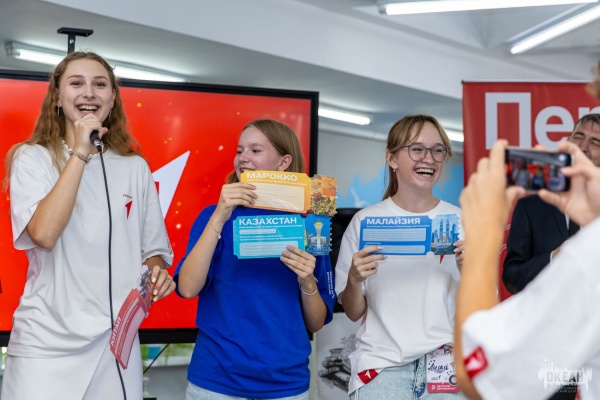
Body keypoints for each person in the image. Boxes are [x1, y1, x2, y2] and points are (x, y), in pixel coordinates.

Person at [1, 51, 175, 399]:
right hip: (45, 343)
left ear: (112, 98)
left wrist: (157, 275)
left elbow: (154, 251)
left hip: (116, 344)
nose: (89, 93)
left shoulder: (134, 167)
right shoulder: (31, 157)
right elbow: (43, 235)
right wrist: (80, 152)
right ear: (57, 97)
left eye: (100, 84)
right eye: (76, 83)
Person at [174, 119, 336, 400]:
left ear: (284, 163)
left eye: (255, 150)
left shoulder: (310, 222)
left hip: (285, 384)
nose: (243, 158)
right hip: (215, 382)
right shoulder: (213, 216)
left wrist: (307, 280)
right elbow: (187, 288)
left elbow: (316, 323)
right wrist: (219, 216)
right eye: (239, 150)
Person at [455, 139, 600, 399]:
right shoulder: (536, 210)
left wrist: (482, 233)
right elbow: (513, 274)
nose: (585, 149)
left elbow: (479, 373)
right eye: (578, 140)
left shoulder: (590, 253)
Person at [335, 114, 466, 399]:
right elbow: (353, 312)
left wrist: (471, 271)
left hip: (446, 368)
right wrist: (354, 279)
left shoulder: (462, 221)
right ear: (392, 158)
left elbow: (483, 306)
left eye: (438, 150)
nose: (428, 159)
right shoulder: (365, 222)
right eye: (417, 149)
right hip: (382, 369)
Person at [503, 113, 600, 295]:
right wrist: (554, 257)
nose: (583, 147)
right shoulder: (530, 207)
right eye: (578, 137)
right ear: (567, 142)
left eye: (595, 142)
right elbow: (512, 279)